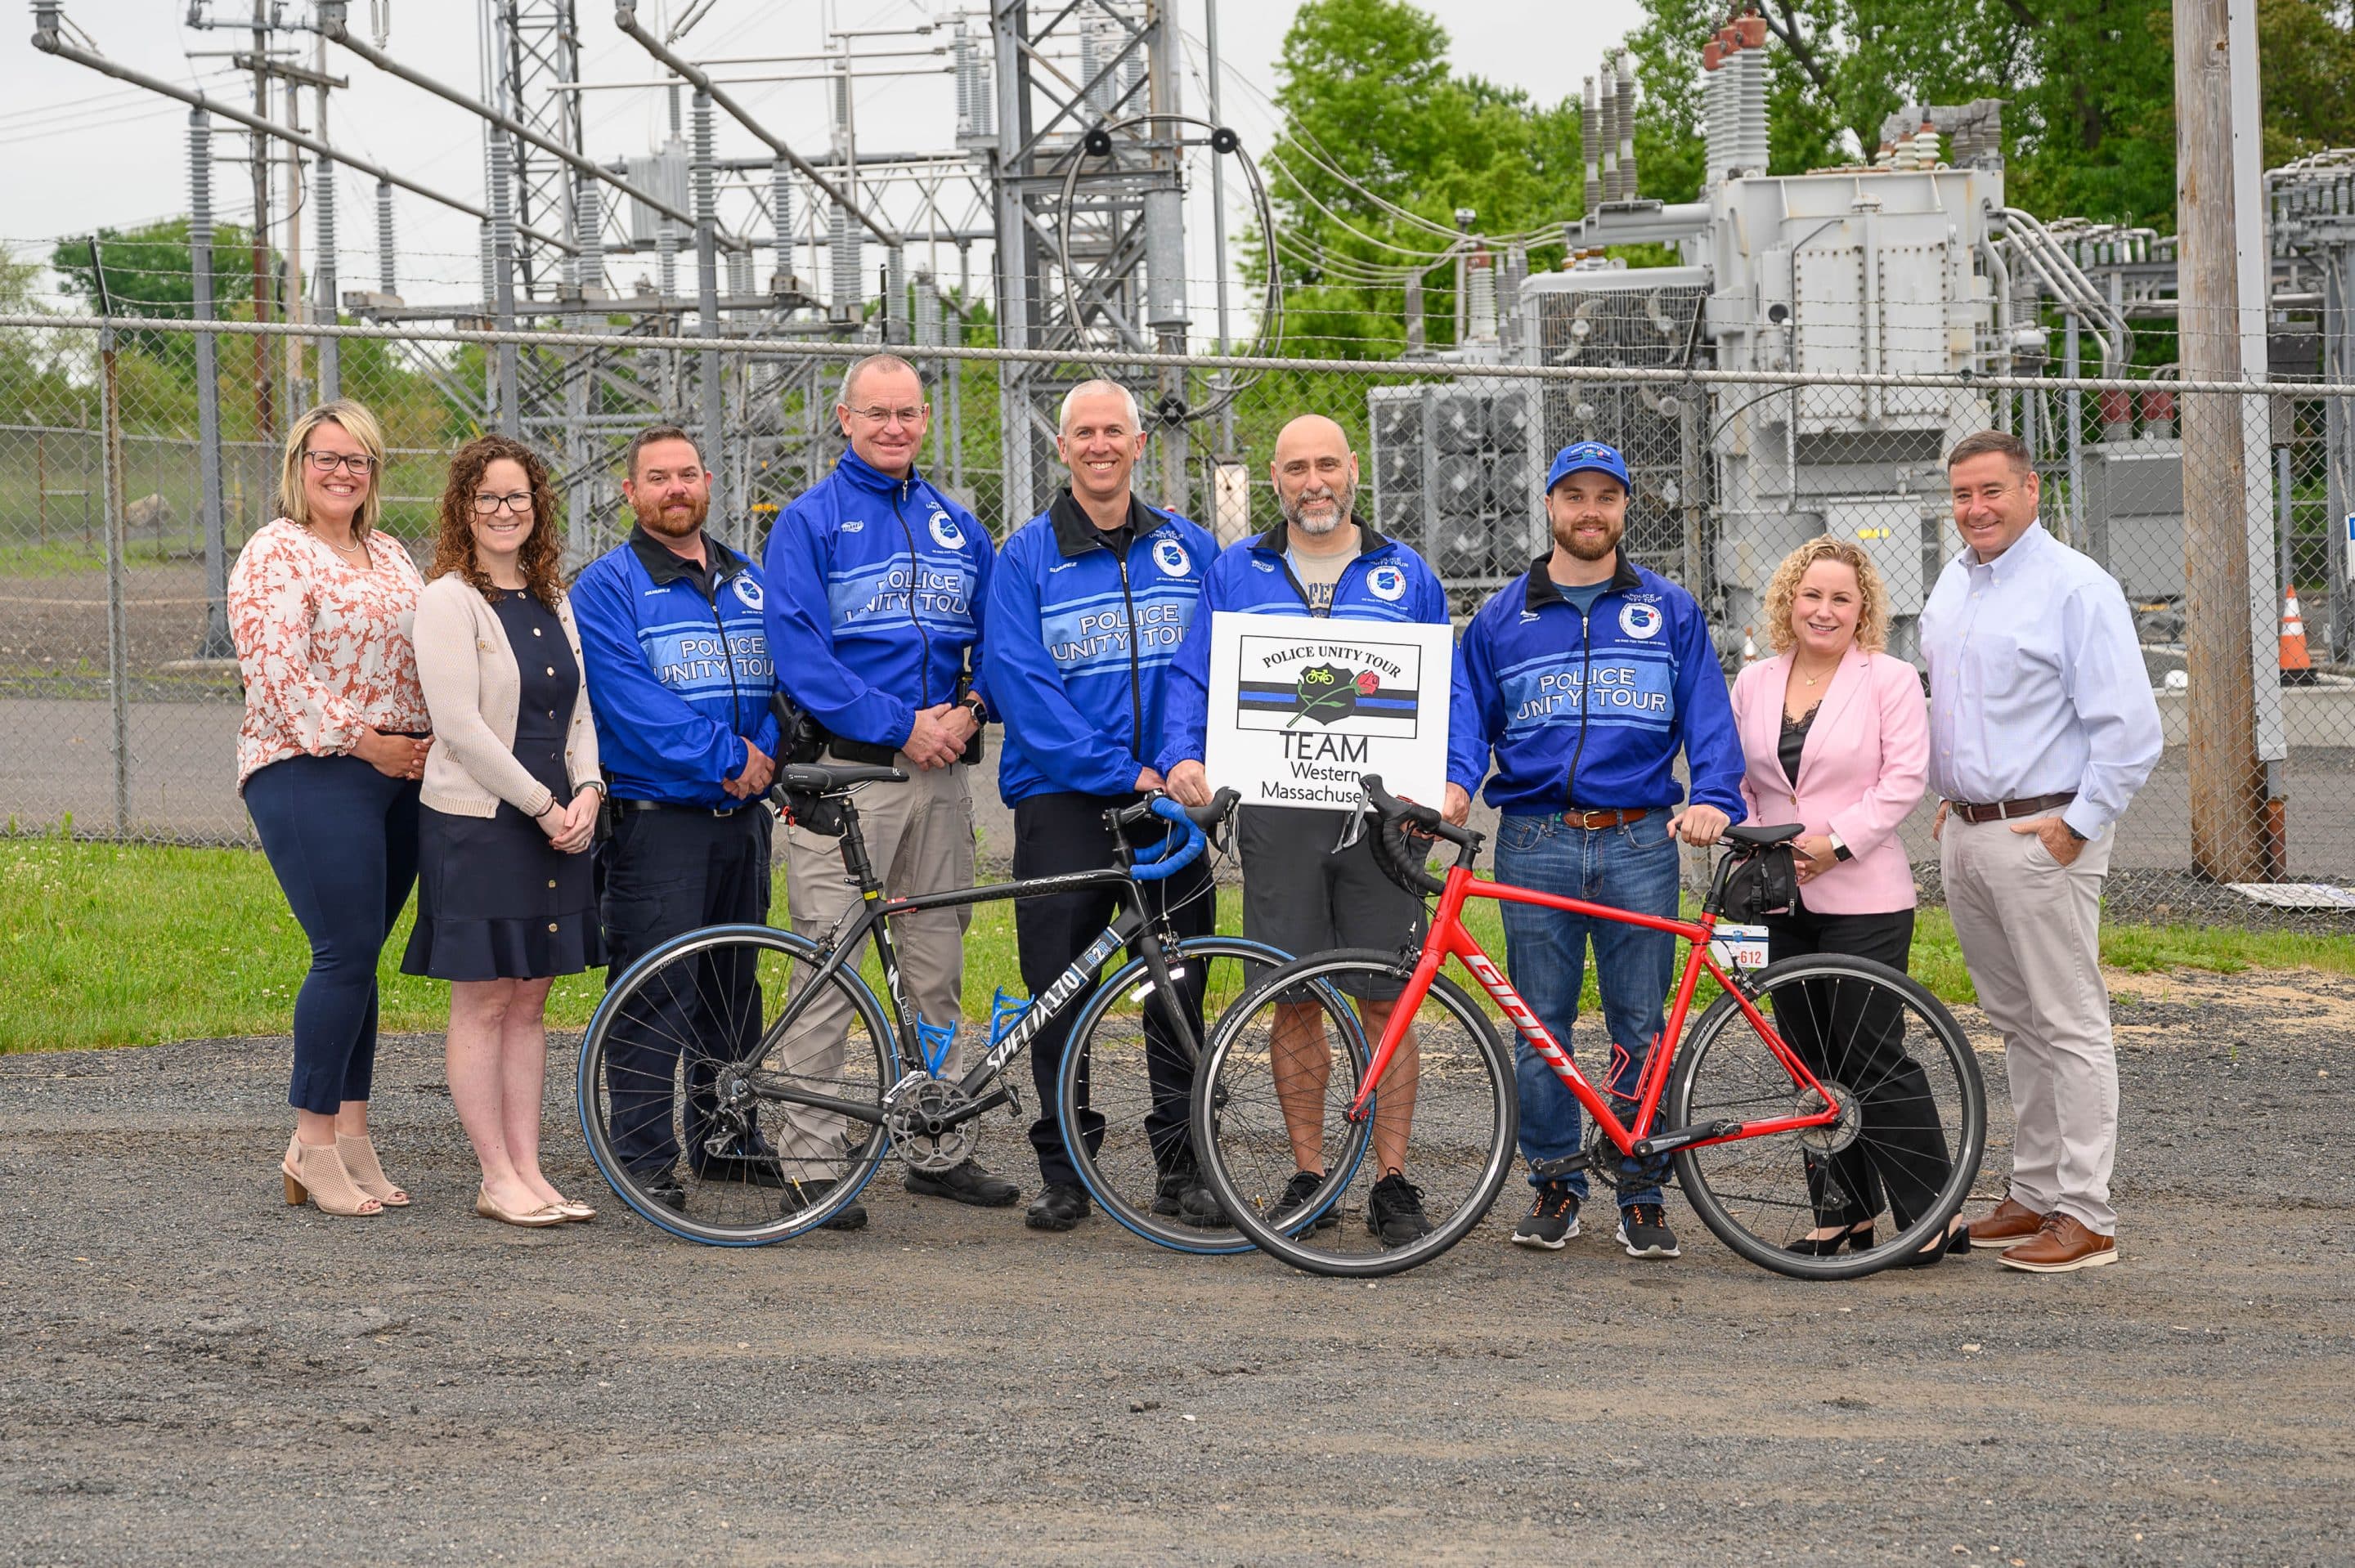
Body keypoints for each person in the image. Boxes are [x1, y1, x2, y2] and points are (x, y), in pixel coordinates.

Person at [1446, 440, 1744, 1261]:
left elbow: (1709, 718)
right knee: (1536, 1024)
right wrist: (1453, 785)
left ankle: (1640, 1184)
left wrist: (1717, 796)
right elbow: (1466, 722)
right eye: (1572, 495)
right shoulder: (1503, 618)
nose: (1588, 511)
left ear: (1623, 508)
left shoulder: (1669, 610)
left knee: (1639, 1024)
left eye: (1604, 498)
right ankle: (1554, 1180)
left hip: (1639, 841)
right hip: (1535, 840)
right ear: (1548, 505)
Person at [1160, 413, 1447, 1246]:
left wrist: (1454, 780)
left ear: (1353, 469)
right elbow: (1192, 675)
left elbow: (1449, 685)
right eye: (1295, 468)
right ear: (1275, 480)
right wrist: (1183, 756)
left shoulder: (1406, 573)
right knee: (1293, 999)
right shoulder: (1235, 571)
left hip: (1386, 820)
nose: (1313, 481)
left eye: (1327, 464)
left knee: (1385, 1001)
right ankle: (1312, 1175)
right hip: (1280, 812)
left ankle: (1392, 1180)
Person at [763, 353, 1016, 1211]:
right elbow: (800, 658)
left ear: (925, 419)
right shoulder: (808, 522)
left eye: (908, 413)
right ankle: (810, 1160)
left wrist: (970, 707)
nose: (894, 428)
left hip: (943, 775)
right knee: (828, 963)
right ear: (844, 418)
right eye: (877, 414)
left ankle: (935, 1142)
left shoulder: (956, 523)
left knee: (936, 965)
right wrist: (901, 721)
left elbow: (999, 641)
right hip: (849, 775)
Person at [980, 379, 1219, 1234]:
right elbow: (1021, 682)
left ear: (1140, 442)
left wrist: (1183, 766)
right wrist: (1122, 769)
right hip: (1066, 803)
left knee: (1179, 986)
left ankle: (1184, 1168)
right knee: (1057, 990)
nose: (1099, 445)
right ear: (1063, 447)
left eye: (1113, 430)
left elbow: (1213, 668)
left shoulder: (1192, 550)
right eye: (1083, 432)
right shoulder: (1025, 556)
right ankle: (1065, 1170)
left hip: (1174, 805)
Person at [1925, 429, 2162, 1274]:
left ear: (2031, 489)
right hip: (1969, 829)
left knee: (2069, 1021)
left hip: (2041, 832)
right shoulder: (1956, 583)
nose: (1976, 509)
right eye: (1961, 495)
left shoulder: (2075, 588)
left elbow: (2131, 731)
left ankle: (2086, 1214)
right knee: (2018, 1022)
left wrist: (2078, 822)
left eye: (1991, 491)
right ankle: (2036, 1190)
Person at [569, 426, 799, 1219]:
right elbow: (626, 701)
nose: (676, 489)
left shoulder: (749, 580)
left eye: (688, 475)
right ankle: (642, 1154)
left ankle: (727, 1136)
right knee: (654, 988)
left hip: (741, 819)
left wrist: (760, 755)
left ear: (708, 484)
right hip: (658, 820)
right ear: (630, 493)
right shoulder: (605, 587)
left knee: (735, 986)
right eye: (657, 478)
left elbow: (782, 681)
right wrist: (724, 756)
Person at [1728, 535, 1962, 1266]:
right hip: (1777, 896)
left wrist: (1832, 845)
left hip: (1863, 890)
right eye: (1811, 596)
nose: (1823, 611)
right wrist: (1757, 843)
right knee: (1810, 1061)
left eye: (1840, 599)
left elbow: (1903, 780)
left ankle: (1932, 1215)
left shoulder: (1889, 679)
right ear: (1787, 602)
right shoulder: (1756, 682)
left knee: (1870, 1053)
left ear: (1863, 611)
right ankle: (1842, 1217)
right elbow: (1737, 776)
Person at [231, 400, 431, 1218]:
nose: (342, 471)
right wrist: (364, 740)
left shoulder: (389, 553)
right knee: (342, 951)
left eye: (358, 460)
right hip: (311, 765)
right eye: (327, 457)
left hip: (401, 772)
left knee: (362, 954)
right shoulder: (277, 551)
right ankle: (311, 1144)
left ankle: (352, 1137)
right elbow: (275, 672)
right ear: (298, 465)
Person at [403, 435, 606, 1229]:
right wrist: (543, 804)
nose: (503, 510)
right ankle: (494, 1174)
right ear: (463, 507)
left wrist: (588, 788)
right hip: (483, 826)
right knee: (484, 1000)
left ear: (537, 507)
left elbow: (580, 708)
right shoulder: (448, 599)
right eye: (486, 497)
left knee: (531, 998)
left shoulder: (552, 595)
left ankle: (529, 1167)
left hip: (555, 822)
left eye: (516, 496)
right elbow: (457, 726)